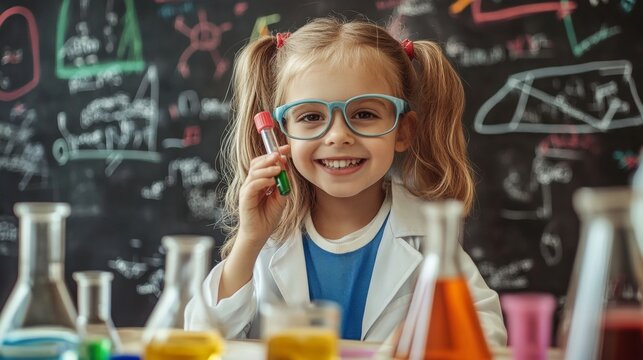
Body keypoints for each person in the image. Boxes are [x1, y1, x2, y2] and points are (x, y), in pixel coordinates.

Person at [185, 17, 507, 345]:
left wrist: (427, 340)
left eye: (364, 114)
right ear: (283, 134)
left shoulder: (428, 242)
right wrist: (250, 240)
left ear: (403, 131)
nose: (338, 136)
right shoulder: (266, 243)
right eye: (311, 117)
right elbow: (201, 341)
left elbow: (487, 339)